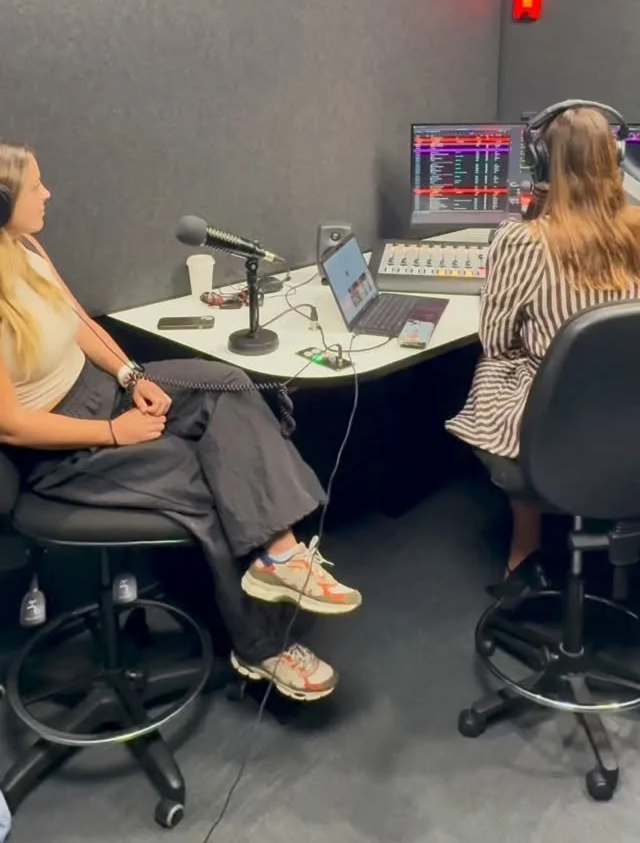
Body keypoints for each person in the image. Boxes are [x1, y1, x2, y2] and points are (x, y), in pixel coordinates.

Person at [0, 142, 362, 703]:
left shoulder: (24, 245)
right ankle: (261, 648)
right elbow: (12, 426)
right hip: (60, 444)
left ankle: (282, 555)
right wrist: (112, 433)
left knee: (228, 383)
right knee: (205, 480)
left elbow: (80, 324)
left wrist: (131, 374)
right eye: (35, 187)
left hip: (101, 391)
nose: (47, 194)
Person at [446, 104, 640, 590]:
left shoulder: (524, 241)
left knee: (499, 366)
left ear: (541, 164)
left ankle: (523, 551)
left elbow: (496, 339)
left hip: (555, 421)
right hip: (628, 410)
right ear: (614, 161)